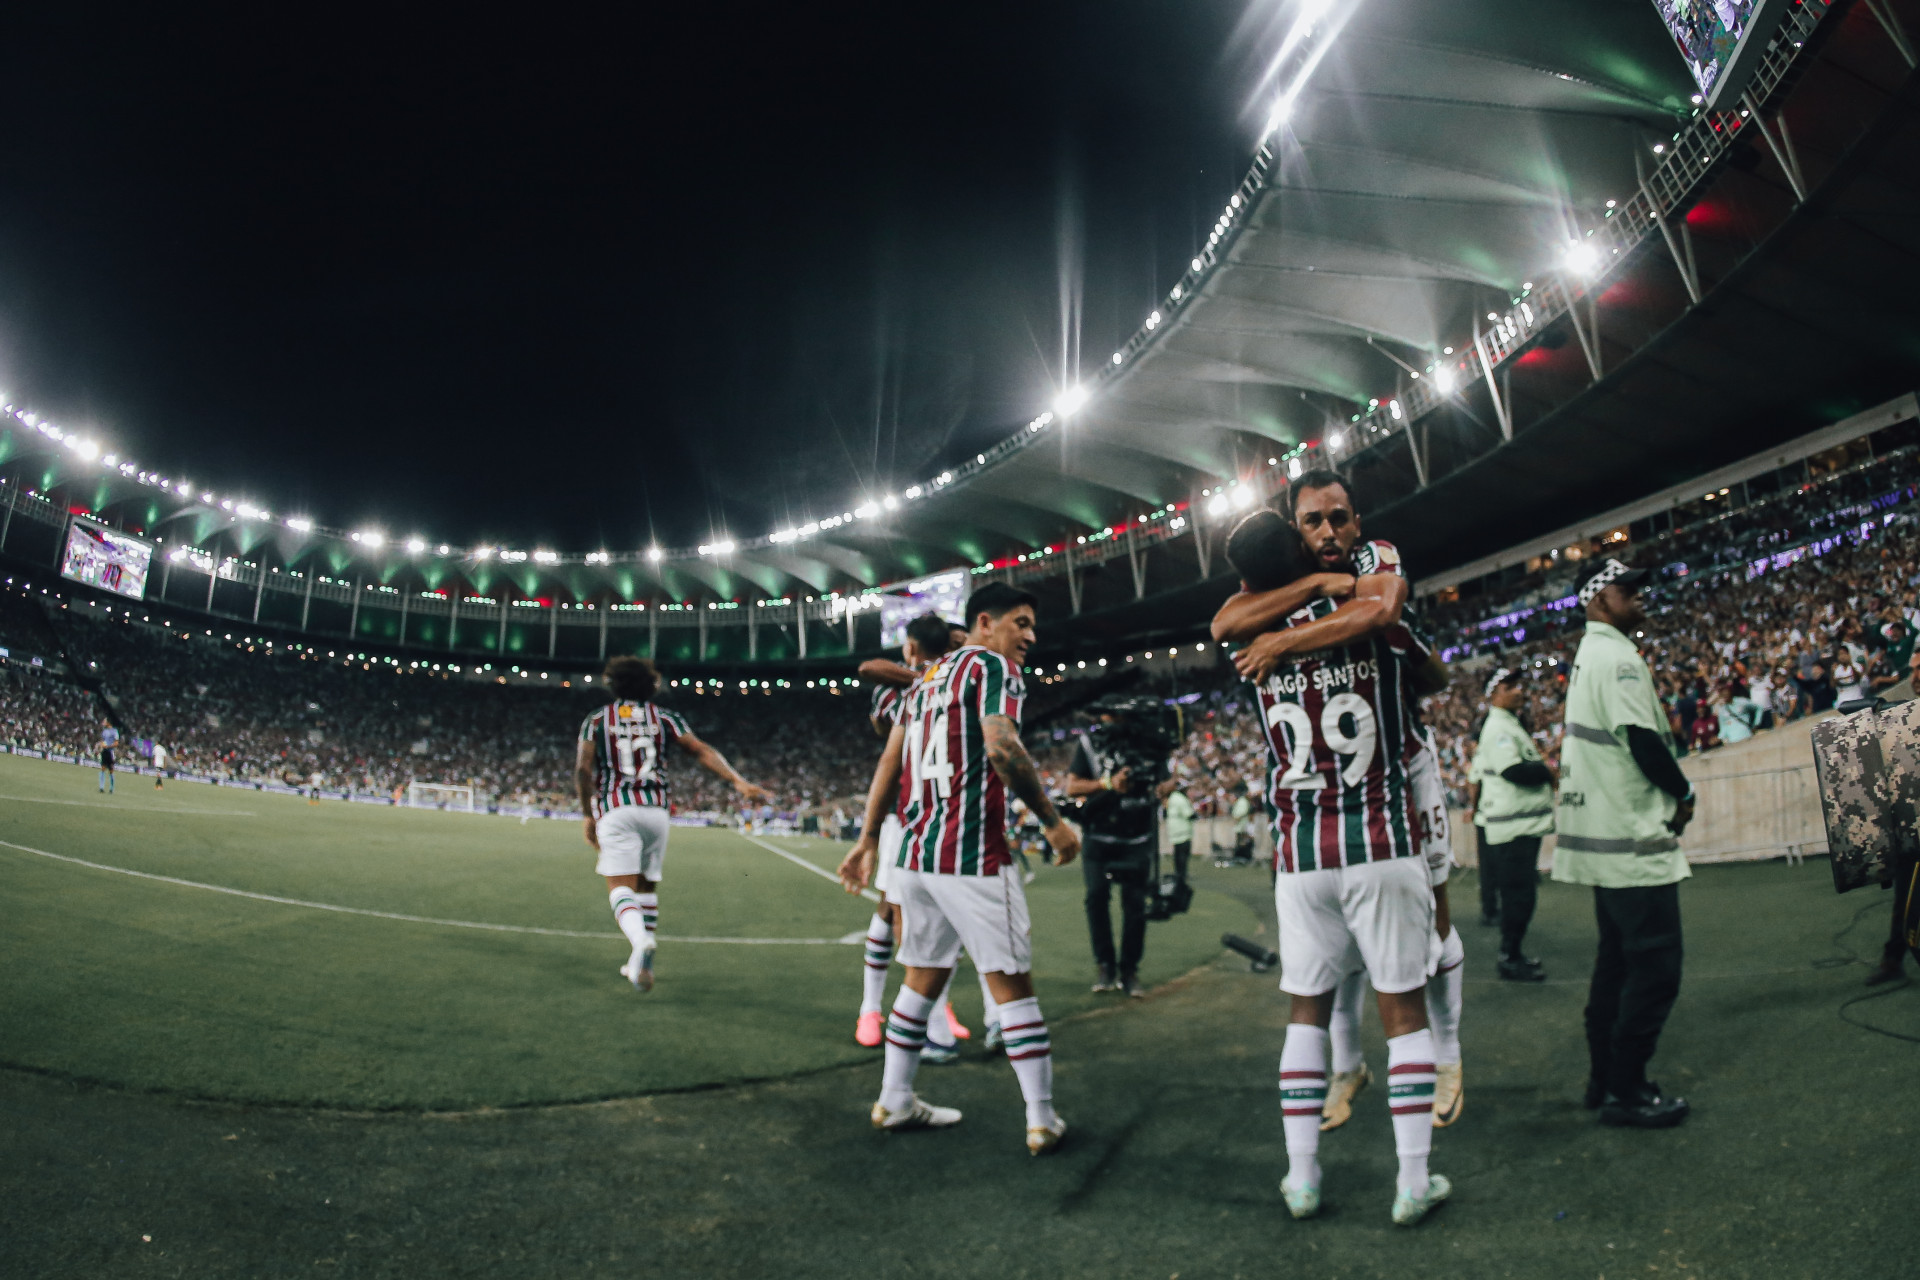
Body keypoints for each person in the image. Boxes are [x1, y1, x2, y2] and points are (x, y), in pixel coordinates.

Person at [1211, 475, 1452, 1227]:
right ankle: (1412, 1183)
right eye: (1313, 522)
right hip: (1379, 836)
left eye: (1337, 518)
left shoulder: (1257, 627)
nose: (1330, 531)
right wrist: (1315, 596)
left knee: (1304, 1014)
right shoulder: (1360, 601)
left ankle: (1302, 1179)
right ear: (1297, 531)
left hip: (1299, 849)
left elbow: (1227, 624)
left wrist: (1280, 634)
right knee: (1403, 1011)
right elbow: (1387, 615)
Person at [837, 582, 1081, 1155]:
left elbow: (889, 763)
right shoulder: (992, 669)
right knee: (1011, 984)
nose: (1030, 635)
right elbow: (1000, 746)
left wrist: (869, 839)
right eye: (1020, 622)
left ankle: (895, 1098)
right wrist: (1052, 820)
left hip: (916, 856)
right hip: (971, 855)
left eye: (1032, 625)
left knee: (921, 977)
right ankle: (1042, 1118)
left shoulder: (923, 681)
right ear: (984, 622)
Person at [1554, 559, 1695, 1129]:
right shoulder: (1618, 658)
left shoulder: (1592, 654)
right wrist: (1683, 793)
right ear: (1597, 600)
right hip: (1631, 842)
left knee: (1615, 966)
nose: (1637, 595)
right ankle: (1627, 1088)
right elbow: (1642, 741)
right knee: (1656, 967)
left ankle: (1604, 1079)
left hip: (1604, 842)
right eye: (1625, 588)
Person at [574, 655, 771, 994]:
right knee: (647, 887)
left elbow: (582, 768)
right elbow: (700, 751)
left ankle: (639, 944)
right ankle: (643, 967)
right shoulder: (664, 717)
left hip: (617, 808)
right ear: (651, 686)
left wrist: (588, 813)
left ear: (612, 684)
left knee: (620, 888)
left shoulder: (597, 720)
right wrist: (738, 781)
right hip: (656, 811)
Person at [850, 615, 988, 1056]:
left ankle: (932, 1006)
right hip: (904, 814)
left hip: (944, 812)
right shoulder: (907, 687)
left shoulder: (968, 683)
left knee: (936, 917)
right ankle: (876, 1008)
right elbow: (870, 672)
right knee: (897, 911)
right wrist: (928, 676)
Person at [1065, 698, 1167, 997]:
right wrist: (1108, 784)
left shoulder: (1150, 744)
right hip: (1098, 834)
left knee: (1135, 905)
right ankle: (1105, 965)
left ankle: (1130, 970)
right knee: (1096, 898)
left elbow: (1164, 780)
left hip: (1137, 835)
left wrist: (1163, 787)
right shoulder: (1090, 743)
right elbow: (1072, 786)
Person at [1470, 668, 1555, 981]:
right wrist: (1546, 771)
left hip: (1517, 825)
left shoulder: (1507, 724)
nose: (1519, 690)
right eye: (1510, 686)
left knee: (1520, 894)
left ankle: (1513, 953)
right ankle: (1510, 956)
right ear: (1495, 694)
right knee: (1518, 894)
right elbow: (1512, 770)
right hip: (1513, 827)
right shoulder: (1499, 728)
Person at [1863, 641, 1920, 985]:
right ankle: (1892, 958)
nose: (1916, 676)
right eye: (1913, 669)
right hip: (1912, 822)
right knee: (1905, 895)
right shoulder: (1905, 712)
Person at [1159, 777, 1195, 889]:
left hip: (1175, 830)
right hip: (1183, 831)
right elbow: (1188, 814)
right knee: (1183, 855)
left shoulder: (1172, 798)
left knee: (1177, 855)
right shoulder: (1180, 799)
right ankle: (1181, 875)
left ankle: (1178, 873)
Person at [94, 718, 118, 793]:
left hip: (111, 752)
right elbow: (102, 741)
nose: (104, 723)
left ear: (109, 723)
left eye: (105, 721)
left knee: (111, 771)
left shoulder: (114, 731)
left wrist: (108, 746)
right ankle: (101, 788)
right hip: (104, 752)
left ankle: (111, 788)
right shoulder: (104, 731)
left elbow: (116, 743)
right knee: (103, 769)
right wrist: (101, 746)